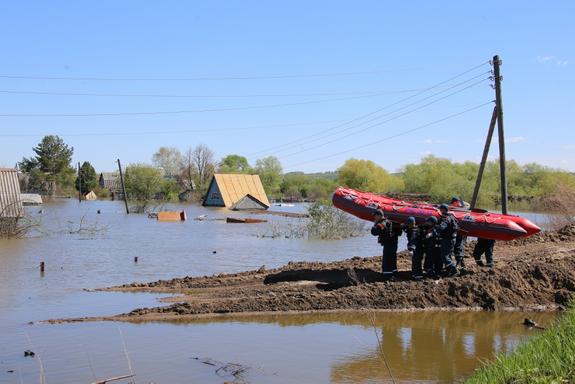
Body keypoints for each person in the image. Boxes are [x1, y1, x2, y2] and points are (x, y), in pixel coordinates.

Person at [371, 209, 402, 279]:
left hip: (388, 244)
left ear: (379, 216)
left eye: (375, 216)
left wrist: (375, 224)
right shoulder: (389, 221)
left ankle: (387, 275)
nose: (374, 218)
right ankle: (394, 273)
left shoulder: (382, 223)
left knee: (387, 260)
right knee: (392, 259)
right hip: (393, 243)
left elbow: (374, 232)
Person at [437, 204, 459, 276]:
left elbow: (442, 227)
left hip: (447, 239)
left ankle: (454, 270)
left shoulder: (446, 218)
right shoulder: (452, 217)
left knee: (444, 256)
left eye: (440, 209)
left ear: (443, 210)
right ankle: (449, 271)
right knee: (448, 255)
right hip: (452, 239)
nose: (439, 210)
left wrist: (435, 228)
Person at [449, 196, 469, 268]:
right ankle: (461, 263)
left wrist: (461, 205)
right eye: (458, 202)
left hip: (461, 230)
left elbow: (467, 206)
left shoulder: (462, 208)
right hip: (455, 230)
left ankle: (460, 263)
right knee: (457, 246)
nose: (459, 203)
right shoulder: (451, 208)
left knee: (459, 246)